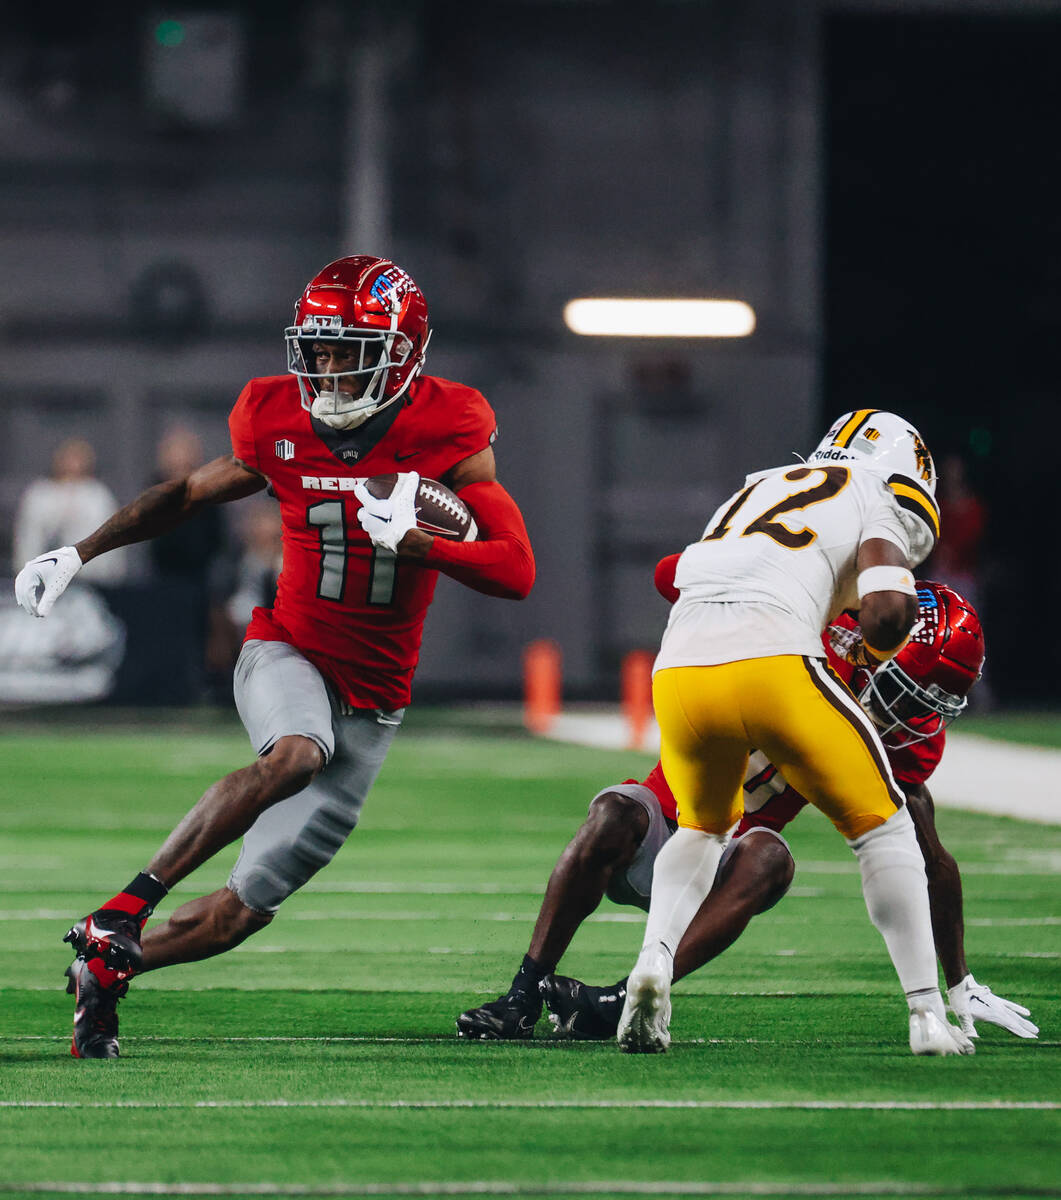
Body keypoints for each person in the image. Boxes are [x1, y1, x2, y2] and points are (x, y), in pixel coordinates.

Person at [13, 255, 536, 1058]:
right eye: (318, 350)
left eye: (348, 350)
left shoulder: (448, 424)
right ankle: (124, 906)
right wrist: (80, 553)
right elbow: (185, 495)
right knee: (294, 753)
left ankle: (106, 968)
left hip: (376, 696)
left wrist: (423, 543)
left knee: (236, 916)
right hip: (286, 648)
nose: (327, 368)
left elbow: (515, 569)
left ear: (403, 352)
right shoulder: (275, 415)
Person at [457, 577, 1038, 1045]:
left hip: (729, 865)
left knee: (770, 856)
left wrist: (959, 981)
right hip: (665, 826)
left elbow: (926, 852)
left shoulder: (909, 737)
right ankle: (522, 994)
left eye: (929, 702)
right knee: (613, 809)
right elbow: (671, 574)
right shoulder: (809, 619)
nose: (913, 716)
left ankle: (620, 999)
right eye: (910, 692)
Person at [614, 410, 970, 1056]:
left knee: (700, 828)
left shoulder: (758, 485)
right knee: (883, 825)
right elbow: (890, 611)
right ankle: (925, 1016)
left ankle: (652, 965)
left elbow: (684, 573)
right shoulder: (872, 496)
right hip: (773, 658)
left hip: (678, 668)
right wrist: (877, 638)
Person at [12, 438, 128, 585]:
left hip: (90, 578)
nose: (73, 464)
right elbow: (29, 536)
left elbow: (111, 536)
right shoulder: (39, 494)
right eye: (69, 457)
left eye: (78, 458)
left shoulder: (97, 495)